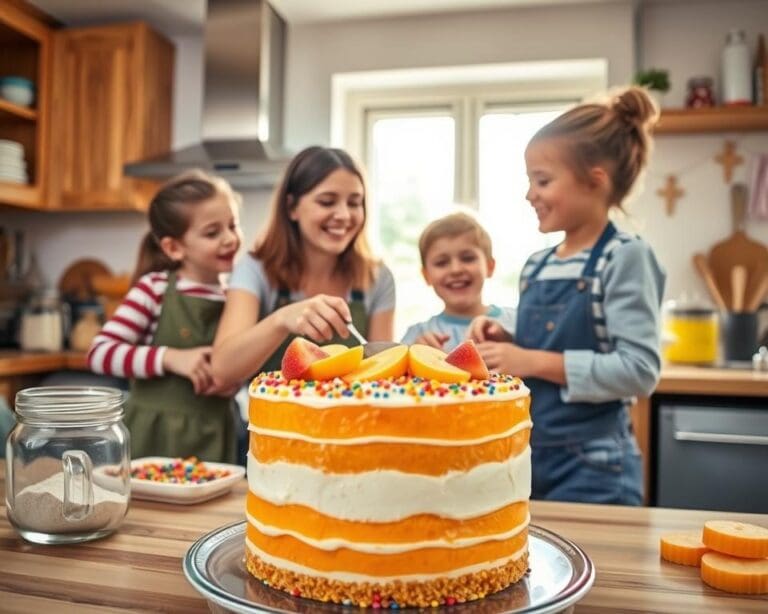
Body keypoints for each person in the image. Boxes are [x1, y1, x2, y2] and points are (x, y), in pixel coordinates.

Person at [468, 86, 666, 505]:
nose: (530, 194)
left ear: (595, 180)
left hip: (596, 466)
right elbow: (547, 333)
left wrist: (531, 361)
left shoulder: (624, 256)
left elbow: (639, 370)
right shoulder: (538, 264)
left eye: (542, 180)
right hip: (532, 454)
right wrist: (506, 332)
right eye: (529, 181)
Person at [88, 170, 243, 463]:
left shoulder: (238, 298)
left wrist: (235, 378)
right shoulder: (154, 289)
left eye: (233, 226)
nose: (230, 239)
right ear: (174, 247)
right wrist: (171, 358)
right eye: (212, 233)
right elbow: (99, 354)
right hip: (151, 439)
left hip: (216, 436)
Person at [212, 146, 395, 386]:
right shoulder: (255, 268)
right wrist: (281, 320)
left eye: (354, 203)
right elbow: (222, 370)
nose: (344, 215)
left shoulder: (378, 277)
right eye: (327, 202)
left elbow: (383, 369)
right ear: (292, 207)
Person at [401, 211, 515, 351]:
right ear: (426, 275)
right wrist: (414, 356)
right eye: (441, 263)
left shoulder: (517, 322)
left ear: (490, 266)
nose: (456, 269)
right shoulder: (417, 336)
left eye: (467, 258)